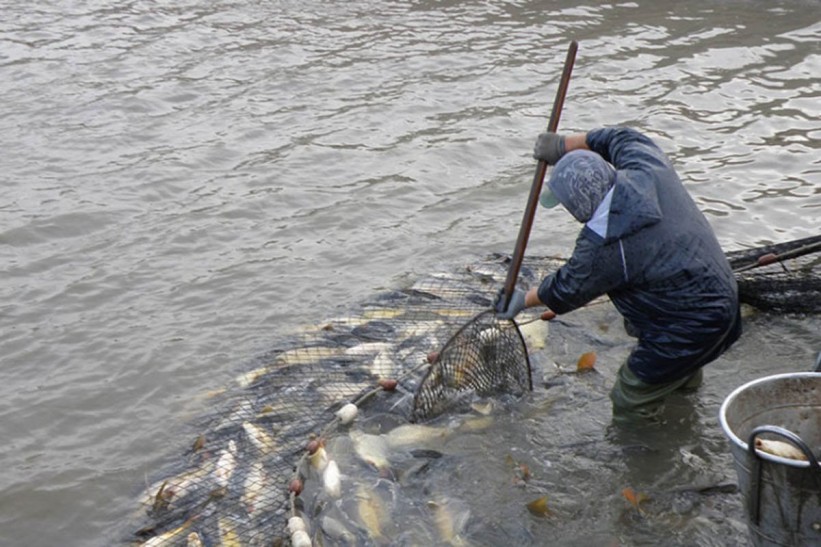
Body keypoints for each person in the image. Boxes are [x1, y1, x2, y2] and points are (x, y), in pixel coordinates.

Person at [495, 126, 742, 423]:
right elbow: (621, 138)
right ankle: (684, 411)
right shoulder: (648, 169)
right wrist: (564, 145)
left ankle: (647, 457)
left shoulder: (605, 246)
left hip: (687, 327)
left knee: (629, 396)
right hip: (723, 297)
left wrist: (524, 299)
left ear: (577, 207)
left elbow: (568, 289)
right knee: (679, 371)